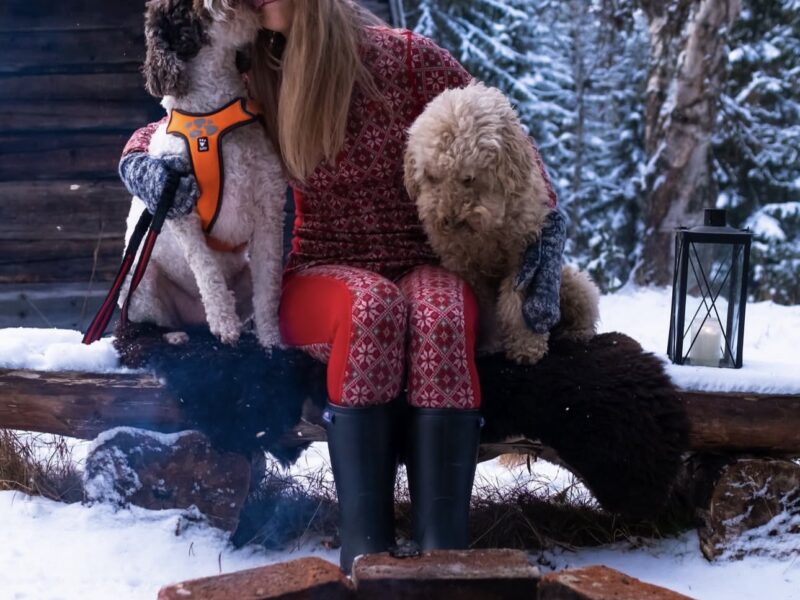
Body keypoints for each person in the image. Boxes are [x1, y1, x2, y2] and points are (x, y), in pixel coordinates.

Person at [118, 0, 562, 572]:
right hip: (319, 269)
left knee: (440, 315)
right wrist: (137, 162)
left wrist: (547, 234)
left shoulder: (405, 58)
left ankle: (444, 560)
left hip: (421, 259)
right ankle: (366, 557)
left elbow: (508, 139)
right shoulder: (260, 69)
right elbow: (177, 120)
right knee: (371, 308)